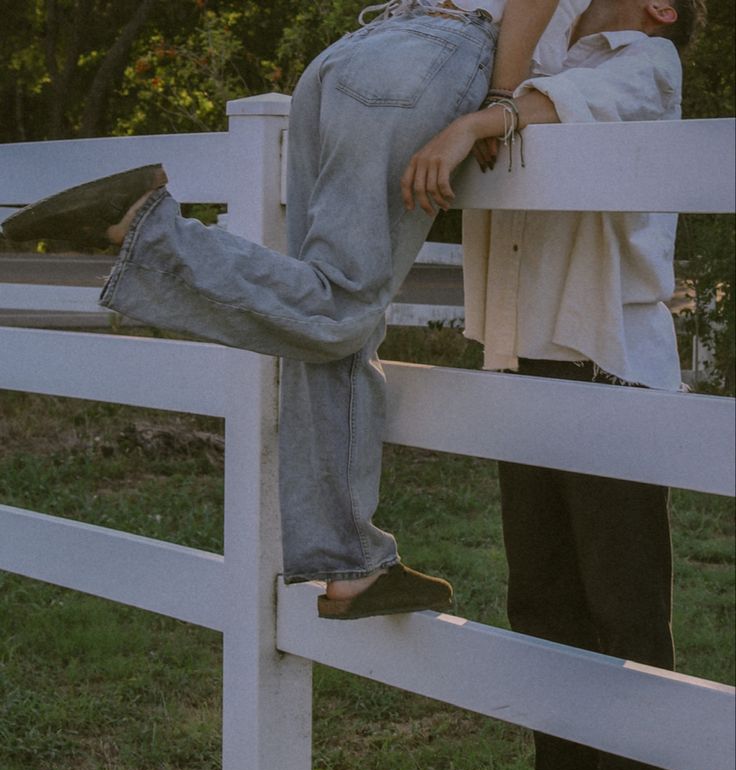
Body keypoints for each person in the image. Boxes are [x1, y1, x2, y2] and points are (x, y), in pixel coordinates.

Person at [3, 0, 563, 621]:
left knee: (316, 308)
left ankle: (349, 564)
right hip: (433, 59)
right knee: (340, 300)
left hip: (351, 59)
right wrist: (502, 99)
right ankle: (148, 229)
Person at [404, 0, 702, 770]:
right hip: (522, 355)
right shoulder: (540, 43)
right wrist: (484, 96)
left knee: (623, 600)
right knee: (541, 597)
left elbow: (558, 106)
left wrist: (480, 119)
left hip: (607, 358)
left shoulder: (649, 63)